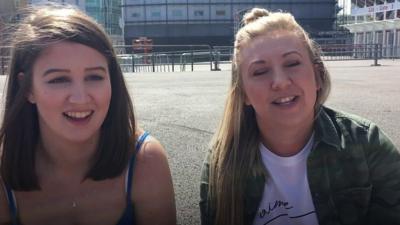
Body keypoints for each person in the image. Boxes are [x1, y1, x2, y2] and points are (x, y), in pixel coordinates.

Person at [200, 7, 400, 225]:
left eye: (292, 63)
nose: (281, 81)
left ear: (318, 76)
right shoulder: (222, 162)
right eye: (260, 71)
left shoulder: (367, 144)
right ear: (243, 93)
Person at [0, 4, 176, 225]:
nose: (80, 98)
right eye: (59, 79)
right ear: (27, 89)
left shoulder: (146, 161)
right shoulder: (3, 172)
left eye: (94, 77)